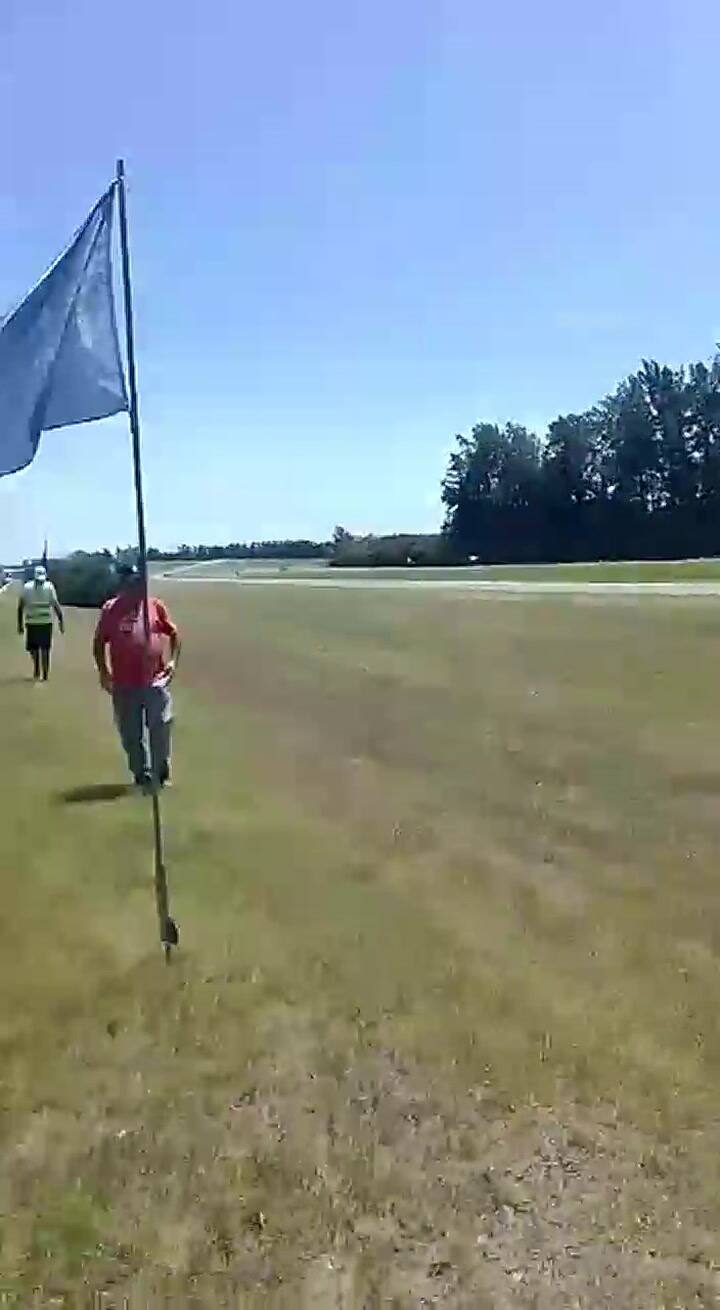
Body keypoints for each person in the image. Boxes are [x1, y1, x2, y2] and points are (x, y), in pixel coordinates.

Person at [93, 564, 181, 790]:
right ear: (124, 583)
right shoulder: (111, 609)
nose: (139, 585)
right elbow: (99, 643)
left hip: (154, 681)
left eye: (141, 581)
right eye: (133, 581)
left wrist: (172, 662)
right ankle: (141, 774)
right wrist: (104, 672)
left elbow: (174, 634)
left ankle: (160, 772)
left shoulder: (154, 606)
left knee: (160, 726)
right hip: (124, 684)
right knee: (131, 734)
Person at [17, 564, 64, 681]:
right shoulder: (28, 588)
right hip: (33, 622)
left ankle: (45, 674)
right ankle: (37, 668)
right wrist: (20, 624)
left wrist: (61, 619)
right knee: (33, 649)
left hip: (44, 622)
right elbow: (20, 606)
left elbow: (55, 604)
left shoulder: (48, 587)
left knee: (45, 649)